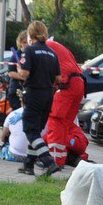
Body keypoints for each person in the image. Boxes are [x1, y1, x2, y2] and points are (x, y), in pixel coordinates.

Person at [11, 20, 59, 176]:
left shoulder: (30, 51)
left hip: (34, 93)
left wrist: (19, 68)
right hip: (48, 95)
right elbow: (58, 77)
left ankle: (49, 161)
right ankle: (29, 165)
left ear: (30, 34)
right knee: (37, 130)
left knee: (30, 129)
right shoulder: (52, 53)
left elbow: (24, 74)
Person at [43, 31, 88, 177]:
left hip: (66, 84)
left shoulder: (44, 47)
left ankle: (55, 161)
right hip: (78, 83)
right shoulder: (57, 47)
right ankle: (65, 157)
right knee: (65, 123)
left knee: (55, 120)